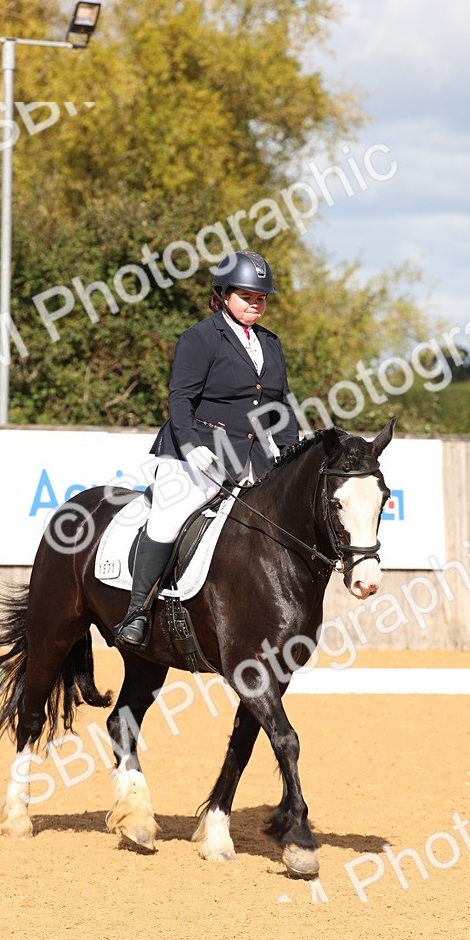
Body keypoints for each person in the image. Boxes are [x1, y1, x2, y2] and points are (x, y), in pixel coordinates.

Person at [117, 249, 299, 647]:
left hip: (252, 458)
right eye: (246, 296)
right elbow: (180, 398)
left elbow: (281, 405)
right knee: (169, 516)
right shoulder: (199, 338)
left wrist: (292, 453)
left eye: (261, 298)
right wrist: (191, 444)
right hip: (197, 451)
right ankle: (137, 611)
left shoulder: (270, 343)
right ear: (223, 295)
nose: (255, 304)